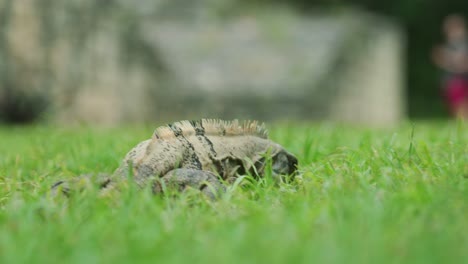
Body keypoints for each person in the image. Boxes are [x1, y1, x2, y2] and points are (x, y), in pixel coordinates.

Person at [432, 14, 468, 119]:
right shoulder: (449, 46)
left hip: (463, 81)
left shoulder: (464, 45)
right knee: (458, 108)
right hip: (454, 82)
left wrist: (450, 59)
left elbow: (462, 64)